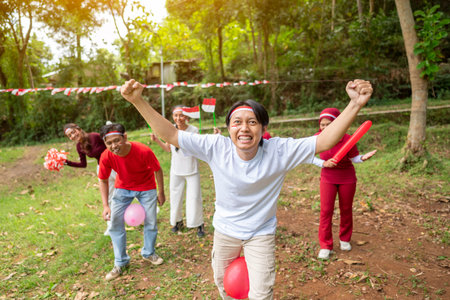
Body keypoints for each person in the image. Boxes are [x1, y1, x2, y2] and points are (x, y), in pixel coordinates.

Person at [120, 79, 373, 299]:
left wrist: (355, 104)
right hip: (225, 230)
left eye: (252, 122)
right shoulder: (216, 147)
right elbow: (172, 135)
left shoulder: (279, 150)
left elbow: (325, 140)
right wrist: (137, 101)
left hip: (260, 233)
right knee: (223, 285)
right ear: (229, 128)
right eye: (237, 122)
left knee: (261, 293)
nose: (244, 128)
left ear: (263, 129)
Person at [97, 123, 166, 281]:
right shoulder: (106, 156)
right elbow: (103, 180)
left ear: (125, 137)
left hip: (146, 187)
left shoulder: (143, 150)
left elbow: (158, 170)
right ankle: (121, 262)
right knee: (115, 223)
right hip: (123, 188)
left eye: (117, 140)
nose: (114, 146)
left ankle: (148, 253)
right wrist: (105, 205)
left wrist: (161, 192)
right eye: (109, 143)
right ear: (105, 144)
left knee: (151, 221)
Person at [312, 108, 377, 260]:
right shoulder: (318, 138)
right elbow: (308, 156)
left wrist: (362, 158)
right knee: (326, 211)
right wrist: (323, 163)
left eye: (329, 124)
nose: (325, 128)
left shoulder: (348, 138)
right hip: (327, 177)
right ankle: (325, 245)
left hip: (347, 177)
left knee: (346, 209)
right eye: (322, 125)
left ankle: (345, 239)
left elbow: (354, 158)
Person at [150, 105, 205, 237]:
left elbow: (197, 148)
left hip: (191, 168)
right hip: (176, 169)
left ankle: (198, 224)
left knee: (194, 197)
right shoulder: (171, 130)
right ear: (172, 117)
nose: (178, 118)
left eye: (181, 115)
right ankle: (177, 222)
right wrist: (157, 140)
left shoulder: (194, 130)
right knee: (175, 196)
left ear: (186, 117)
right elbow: (168, 148)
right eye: (176, 115)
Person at [63, 123, 116, 235]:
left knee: (130, 186)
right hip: (102, 169)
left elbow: (112, 145)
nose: (72, 136)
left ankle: (150, 209)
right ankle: (111, 226)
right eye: (69, 136)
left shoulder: (95, 136)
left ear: (78, 129)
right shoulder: (79, 146)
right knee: (109, 197)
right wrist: (67, 162)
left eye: (73, 132)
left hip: (114, 164)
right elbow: (83, 164)